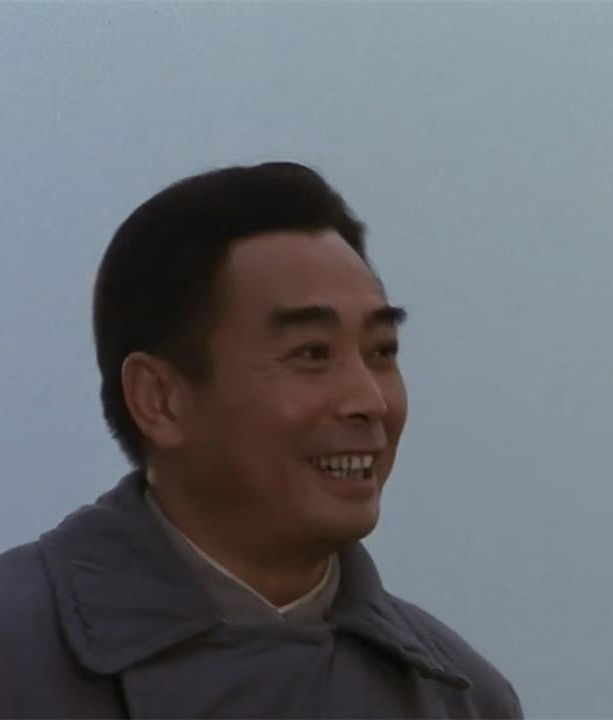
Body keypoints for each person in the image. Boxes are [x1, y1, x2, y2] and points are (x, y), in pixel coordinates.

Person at [0, 162, 522, 718]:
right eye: (312, 354)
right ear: (159, 400)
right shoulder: (18, 654)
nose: (369, 400)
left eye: (382, 351)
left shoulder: (462, 698)